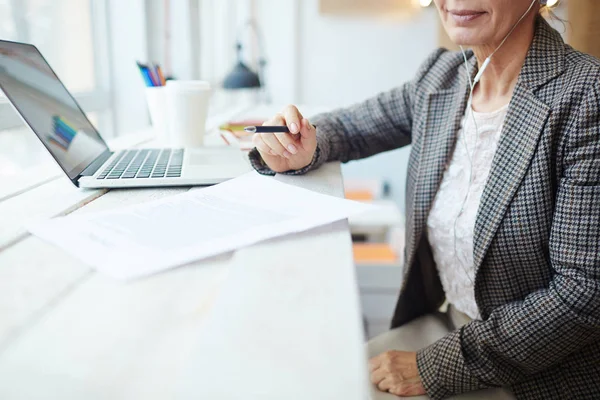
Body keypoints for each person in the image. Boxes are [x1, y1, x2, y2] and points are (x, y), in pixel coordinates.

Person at [247, 0, 600, 399]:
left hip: (543, 375)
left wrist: (435, 365)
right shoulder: (443, 76)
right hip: (452, 324)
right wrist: (299, 143)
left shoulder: (587, 97)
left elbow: (583, 295)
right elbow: (351, 128)